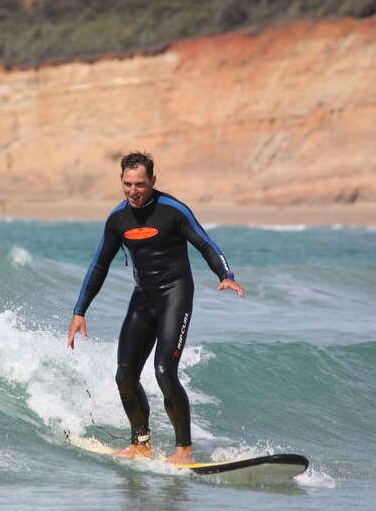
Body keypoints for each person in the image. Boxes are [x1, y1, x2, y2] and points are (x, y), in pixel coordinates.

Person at [67, 152, 245, 465]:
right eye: (127, 184)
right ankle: (140, 443)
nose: (133, 191)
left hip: (175, 294)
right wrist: (80, 311)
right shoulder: (117, 219)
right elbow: (99, 265)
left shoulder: (173, 211)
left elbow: (205, 243)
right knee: (125, 375)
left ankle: (183, 450)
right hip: (143, 297)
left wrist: (225, 275)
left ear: (153, 181)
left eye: (140, 184)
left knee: (164, 371)